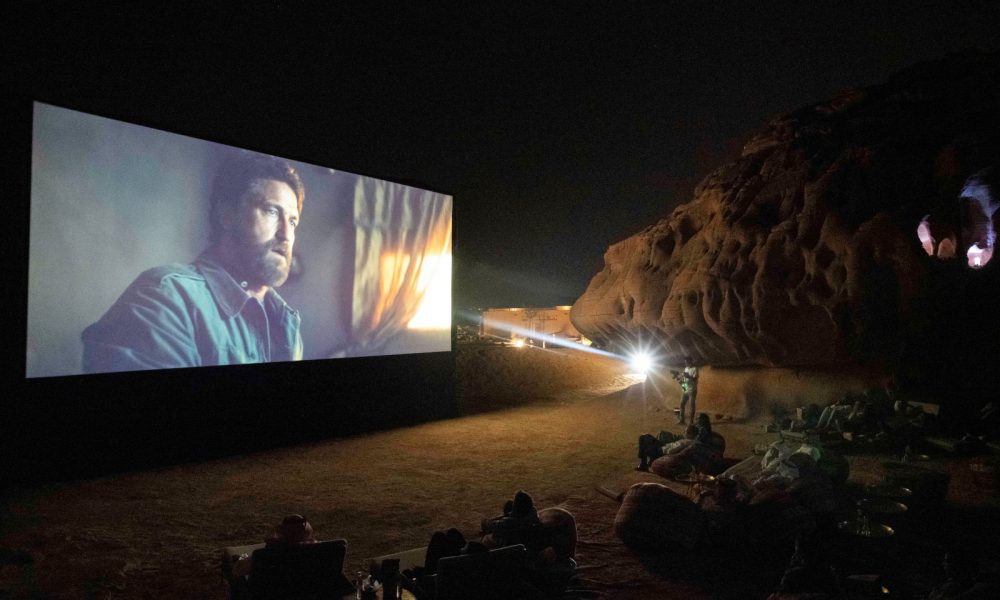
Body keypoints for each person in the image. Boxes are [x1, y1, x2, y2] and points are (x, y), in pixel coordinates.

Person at [82, 151, 305, 373]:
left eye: (293, 221)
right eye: (271, 211)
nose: (286, 234)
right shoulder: (166, 296)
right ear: (227, 214)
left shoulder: (286, 321)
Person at [675, 356, 699, 424]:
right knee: (682, 404)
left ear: (691, 361)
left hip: (692, 389)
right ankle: (682, 420)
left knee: (692, 406)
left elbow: (695, 378)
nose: (686, 363)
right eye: (685, 362)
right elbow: (685, 380)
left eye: (687, 362)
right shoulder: (686, 369)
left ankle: (691, 422)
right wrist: (680, 381)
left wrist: (688, 376)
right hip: (685, 388)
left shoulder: (695, 369)